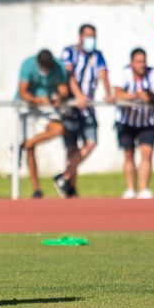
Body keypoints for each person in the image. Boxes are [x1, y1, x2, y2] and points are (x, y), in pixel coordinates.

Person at [57, 23, 111, 197]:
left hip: (87, 108)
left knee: (91, 142)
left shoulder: (97, 55)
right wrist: (78, 95)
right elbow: (68, 75)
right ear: (80, 37)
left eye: (93, 36)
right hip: (71, 107)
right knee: (71, 149)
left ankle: (64, 177)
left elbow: (103, 74)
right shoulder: (69, 52)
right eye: (88, 36)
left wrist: (108, 93)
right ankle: (70, 189)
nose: (91, 40)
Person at [17, 49, 72, 199]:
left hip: (47, 107)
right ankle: (36, 189)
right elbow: (23, 92)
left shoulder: (58, 67)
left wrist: (57, 97)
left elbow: (64, 90)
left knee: (58, 129)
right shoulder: (28, 65)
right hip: (28, 107)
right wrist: (37, 100)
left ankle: (26, 144)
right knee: (31, 151)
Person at [113, 47, 154, 199]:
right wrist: (136, 96)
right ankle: (130, 189)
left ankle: (143, 189)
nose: (141, 65)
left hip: (146, 121)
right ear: (132, 63)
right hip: (126, 121)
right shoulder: (124, 73)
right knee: (129, 154)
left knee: (147, 153)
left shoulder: (153, 73)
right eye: (138, 62)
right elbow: (118, 93)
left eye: (143, 62)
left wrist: (150, 96)